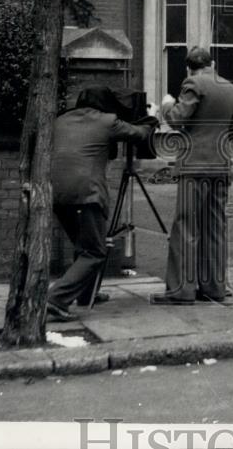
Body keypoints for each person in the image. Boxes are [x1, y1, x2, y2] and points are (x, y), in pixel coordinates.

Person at [47, 86, 156, 321]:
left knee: (82, 245)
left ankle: (87, 296)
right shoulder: (107, 121)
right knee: (95, 251)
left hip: (55, 194)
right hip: (87, 194)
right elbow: (140, 134)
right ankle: (56, 298)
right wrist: (151, 117)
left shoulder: (61, 120)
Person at [154, 47, 233, 305]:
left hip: (195, 167)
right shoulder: (230, 88)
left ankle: (182, 291)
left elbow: (178, 120)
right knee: (215, 227)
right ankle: (214, 288)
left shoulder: (192, 83)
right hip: (221, 165)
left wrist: (167, 105)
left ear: (189, 67)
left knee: (187, 226)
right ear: (212, 63)